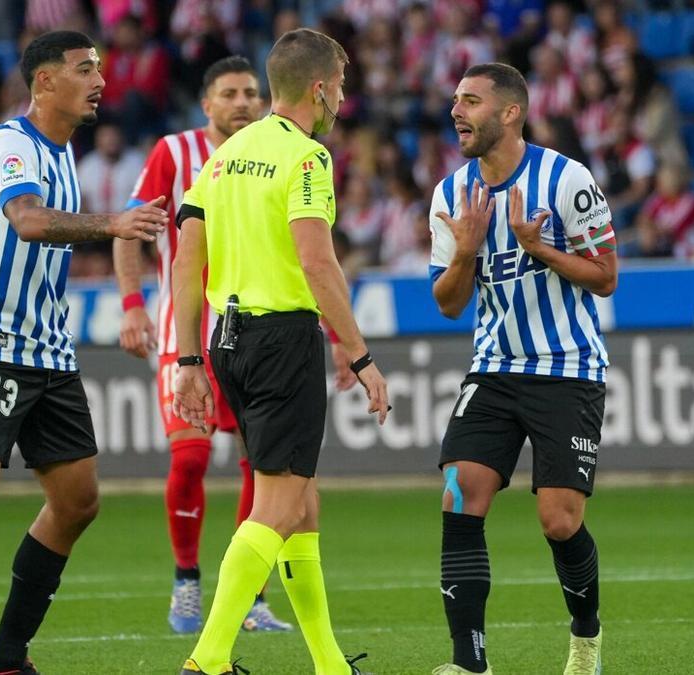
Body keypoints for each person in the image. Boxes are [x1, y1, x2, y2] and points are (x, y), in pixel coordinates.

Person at [0, 30, 169, 675]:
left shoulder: (64, 155)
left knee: (78, 502)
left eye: (101, 69)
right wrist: (112, 224)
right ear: (43, 82)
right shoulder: (12, 143)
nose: (100, 81)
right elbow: (28, 220)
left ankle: (5, 660)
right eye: (85, 69)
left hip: (50, 352)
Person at [171, 28, 389, 675]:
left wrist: (188, 360)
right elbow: (317, 260)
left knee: (302, 502)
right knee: (277, 505)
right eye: (341, 87)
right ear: (319, 88)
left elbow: (187, 258)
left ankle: (329, 663)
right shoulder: (307, 158)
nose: (342, 101)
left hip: (226, 339)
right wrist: (359, 350)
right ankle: (206, 660)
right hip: (281, 338)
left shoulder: (226, 155)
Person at [428, 63, 618, 675]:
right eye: (456, 99)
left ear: (510, 113)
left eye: (471, 101)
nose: (457, 111)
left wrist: (539, 248)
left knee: (560, 521)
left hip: (568, 367)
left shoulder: (568, 179)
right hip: (493, 366)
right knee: (460, 497)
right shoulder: (449, 195)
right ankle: (469, 663)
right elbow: (450, 303)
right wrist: (465, 251)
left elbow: (607, 277)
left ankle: (585, 636)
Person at [113, 55, 295, 634]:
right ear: (207, 103)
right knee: (190, 459)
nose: (243, 102)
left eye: (251, 92)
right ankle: (187, 582)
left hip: (257, 334)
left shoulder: (280, 150)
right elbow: (133, 228)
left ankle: (251, 596)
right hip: (185, 334)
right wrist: (132, 303)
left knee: (261, 469)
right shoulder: (174, 152)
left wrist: (339, 340)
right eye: (230, 93)